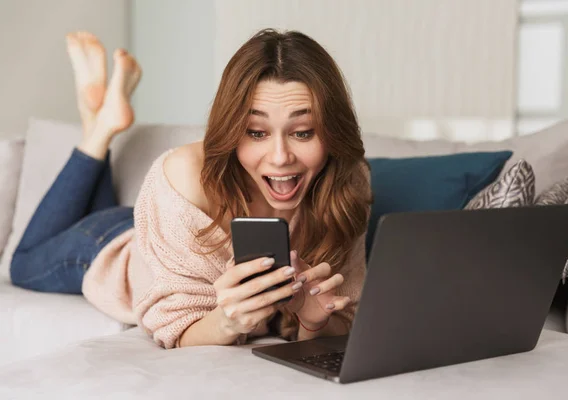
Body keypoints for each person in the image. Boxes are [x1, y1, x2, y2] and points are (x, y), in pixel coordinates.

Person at [10, 28, 372, 349]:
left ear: (331, 133)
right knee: (22, 262)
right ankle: (99, 132)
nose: (280, 157)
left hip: (156, 227)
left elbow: (342, 320)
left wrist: (314, 319)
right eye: (256, 133)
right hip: (108, 247)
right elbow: (178, 330)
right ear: (232, 129)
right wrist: (227, 320)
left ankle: (101, 119)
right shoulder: (184, 174)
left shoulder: (348, 183)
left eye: (303, 132)